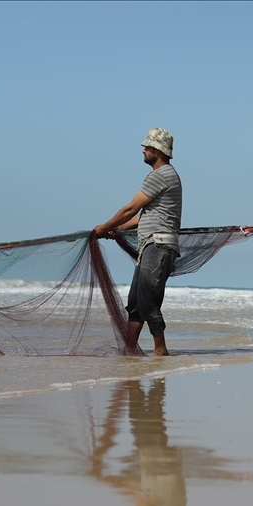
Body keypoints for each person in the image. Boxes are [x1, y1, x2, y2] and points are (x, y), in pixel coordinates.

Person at [93, 128, 181, 356]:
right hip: (150, 247)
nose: (143, 150)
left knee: (147, 299)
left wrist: (105, 226)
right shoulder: (165, 176)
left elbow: (131, 208)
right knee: (134, 303)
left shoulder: (161, 175)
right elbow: (143, 217)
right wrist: (117, 229)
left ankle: (160, 350)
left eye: (148, 147)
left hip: (158, 246)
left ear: (158, 151)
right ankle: (129, 348)